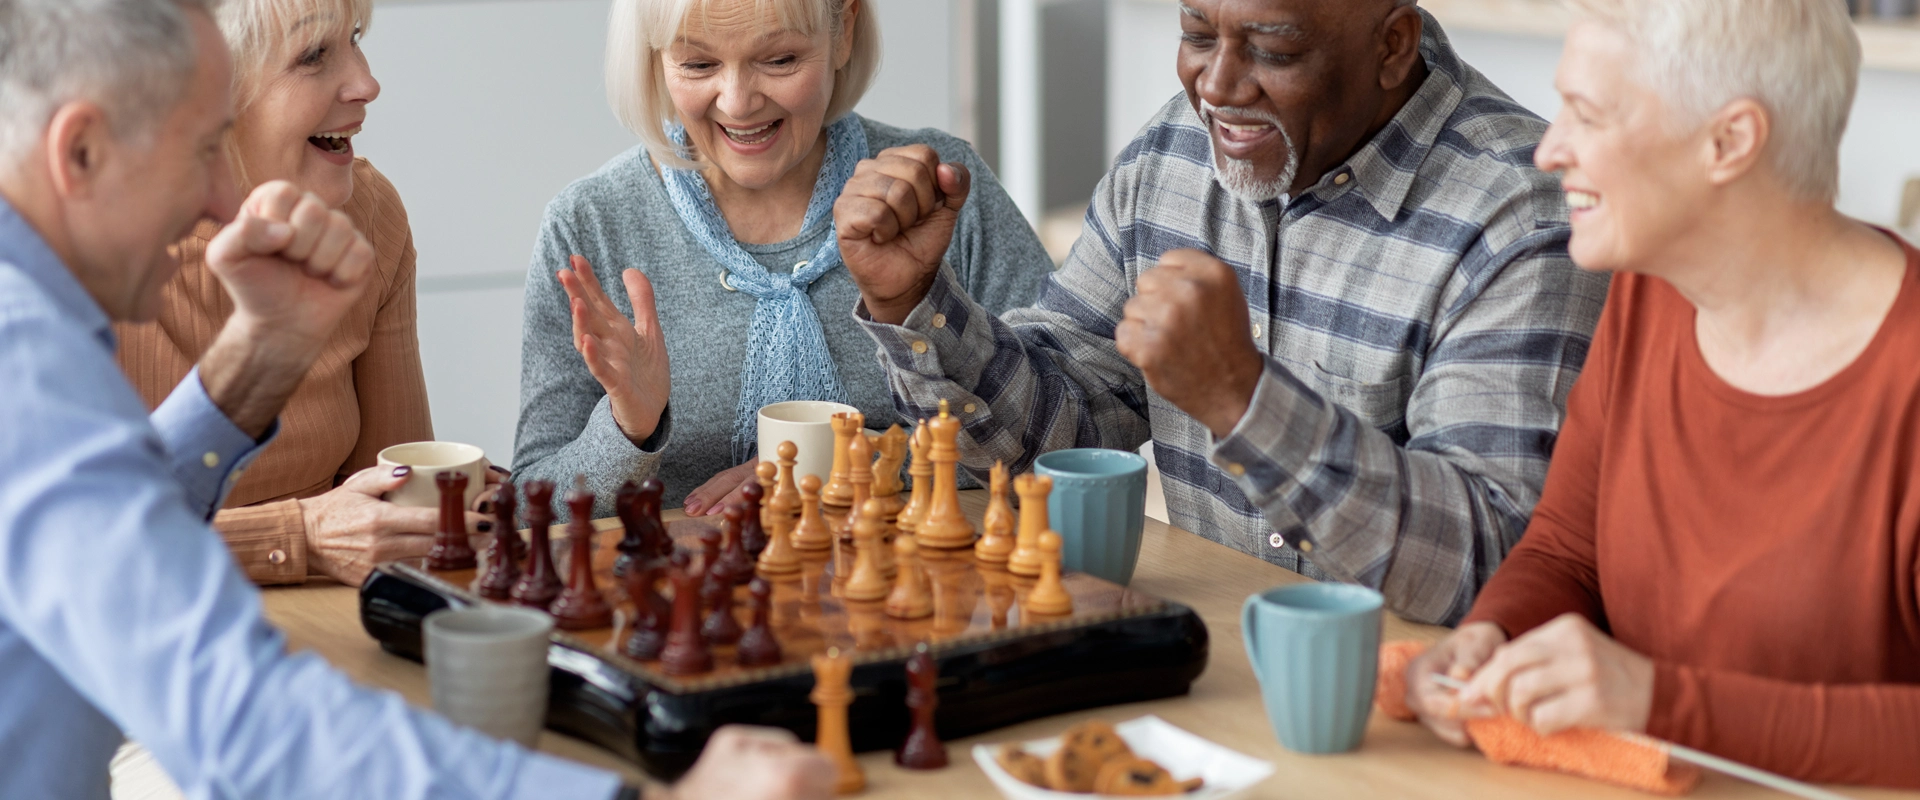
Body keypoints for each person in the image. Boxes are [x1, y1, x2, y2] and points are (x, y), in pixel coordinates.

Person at [0, 1, 831, 797]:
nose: (221, 203)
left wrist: (258, 359)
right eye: (199, 151)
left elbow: (122, 535)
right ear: (80, 154)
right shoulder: (27, 357)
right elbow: (241, 722)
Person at [835, 0, 1609, 624]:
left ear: (1393, 45)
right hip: (1217, 673)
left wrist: (1245, 401)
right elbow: (1062, 431)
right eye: (1197, 33)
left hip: (1417, 717)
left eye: (1273, 50)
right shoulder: (1175, 149)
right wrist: (915, 303)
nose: (1219, 86)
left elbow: (1493, 566)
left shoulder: (1525, 212)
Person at [1403, 0, 1920, 787]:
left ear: (1729, 141)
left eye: (1587, 113)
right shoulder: (1650, 291)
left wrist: (1656, 700)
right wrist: (1494, 634)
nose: (1548, 150)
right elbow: (1566, 554)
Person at [511, 0, 1052, 519]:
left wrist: (852, 462)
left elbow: (1061, 435)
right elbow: (527, 506)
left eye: (780, 60)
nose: (738, 102)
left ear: (843, 29)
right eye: (699, 64)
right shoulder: (588, 224)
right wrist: (627, 427)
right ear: (655, 56)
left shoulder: (939, 192)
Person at [114, 0, 475, 588]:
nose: (367, 82)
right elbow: (67, 552)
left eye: (355, 38)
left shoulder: (368, 213)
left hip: (326, 624)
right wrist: (297, 536)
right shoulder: (75, 261)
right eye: (313, 55)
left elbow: (395, 497)